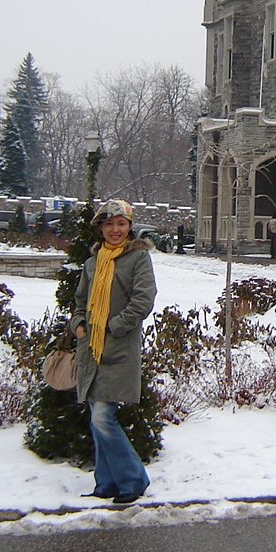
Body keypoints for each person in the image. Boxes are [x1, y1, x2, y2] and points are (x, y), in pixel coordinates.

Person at [69, 198, 156, 505]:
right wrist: (79, 326)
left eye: (121, 223)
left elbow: (143, 300)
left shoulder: (138, 259)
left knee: (104, 417)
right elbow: (80, 301)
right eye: (108, 224)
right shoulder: (93, 263)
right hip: (90, 349)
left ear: (130, 227)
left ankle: (133, 479)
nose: (115, 230)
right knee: (96, 416)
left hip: (118, 347)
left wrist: (114, 326)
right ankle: (106, 483)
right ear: (100, 228)